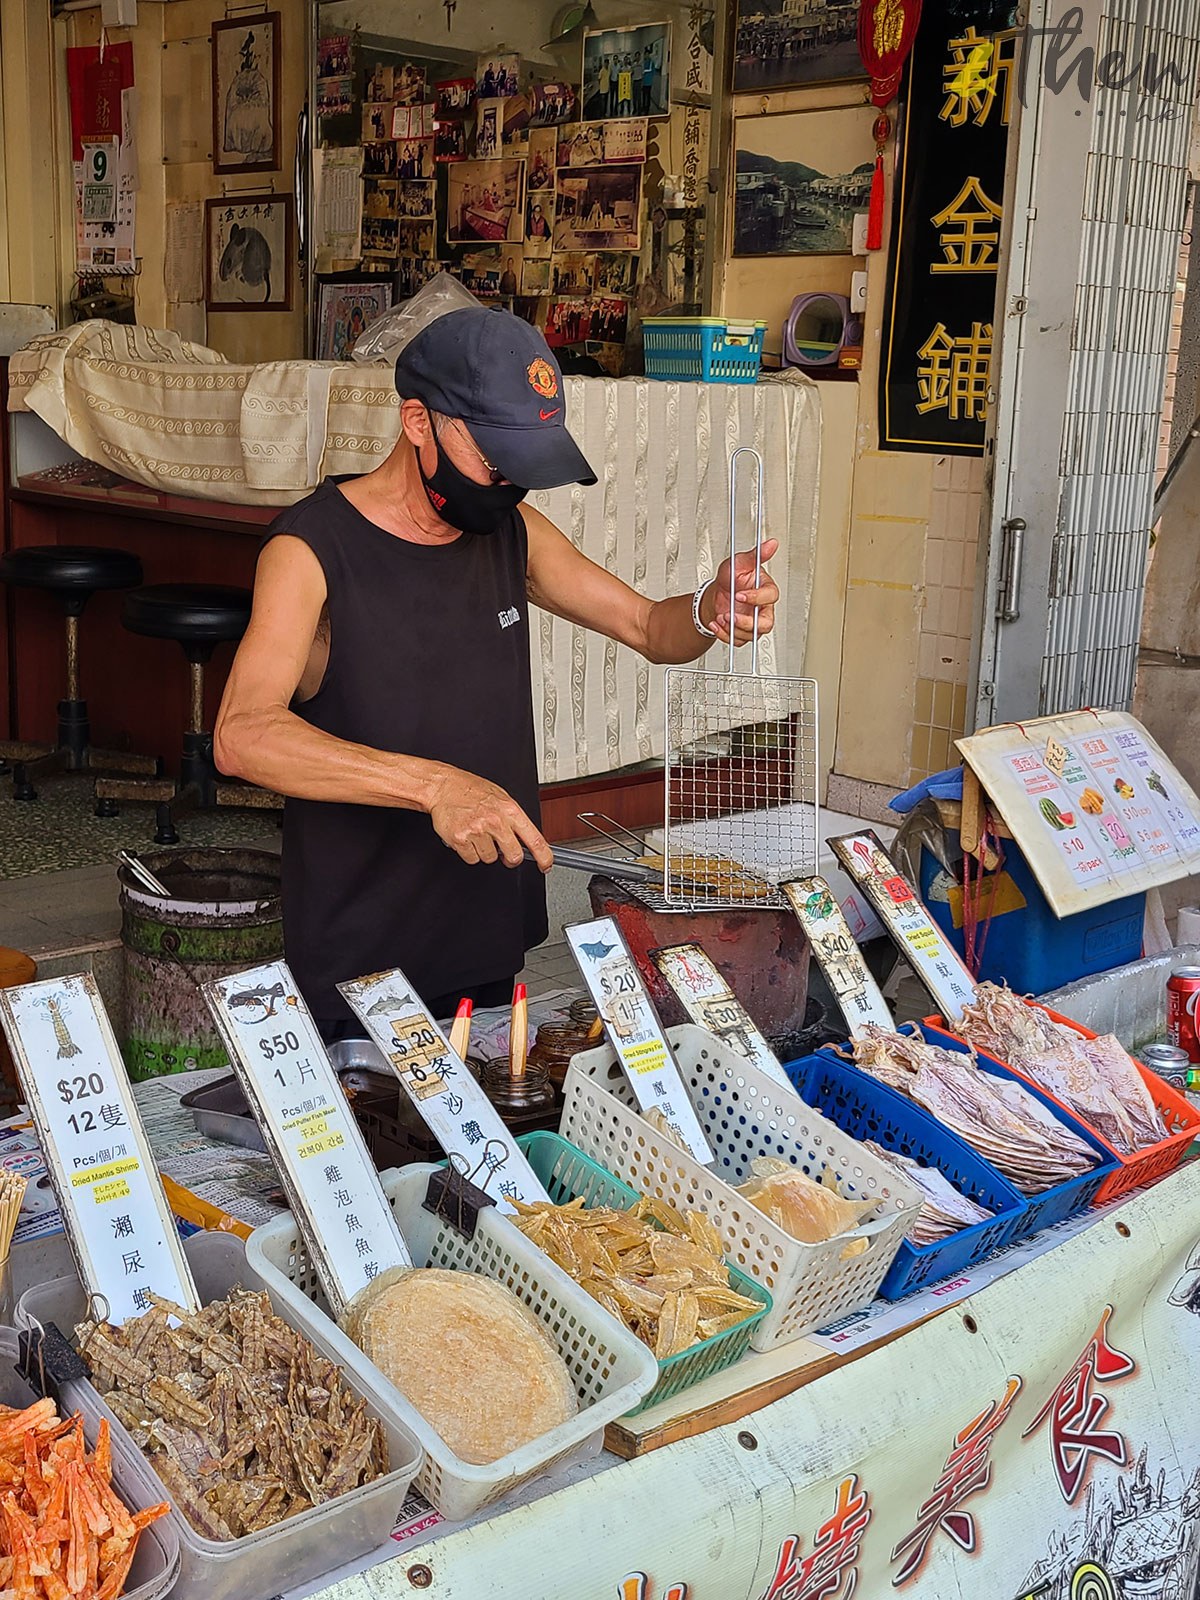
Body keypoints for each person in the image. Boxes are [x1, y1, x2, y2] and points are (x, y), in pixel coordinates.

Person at [214, 309, 779, 1037]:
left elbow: (648, 627)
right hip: (361, 943)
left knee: (486, 1134)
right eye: (495, 461)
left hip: (480, 921)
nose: (511, 484)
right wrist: (435, 786)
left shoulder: (514, 534)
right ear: (419, 423)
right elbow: (243, 735)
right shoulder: (311, 549)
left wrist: (709, 608)